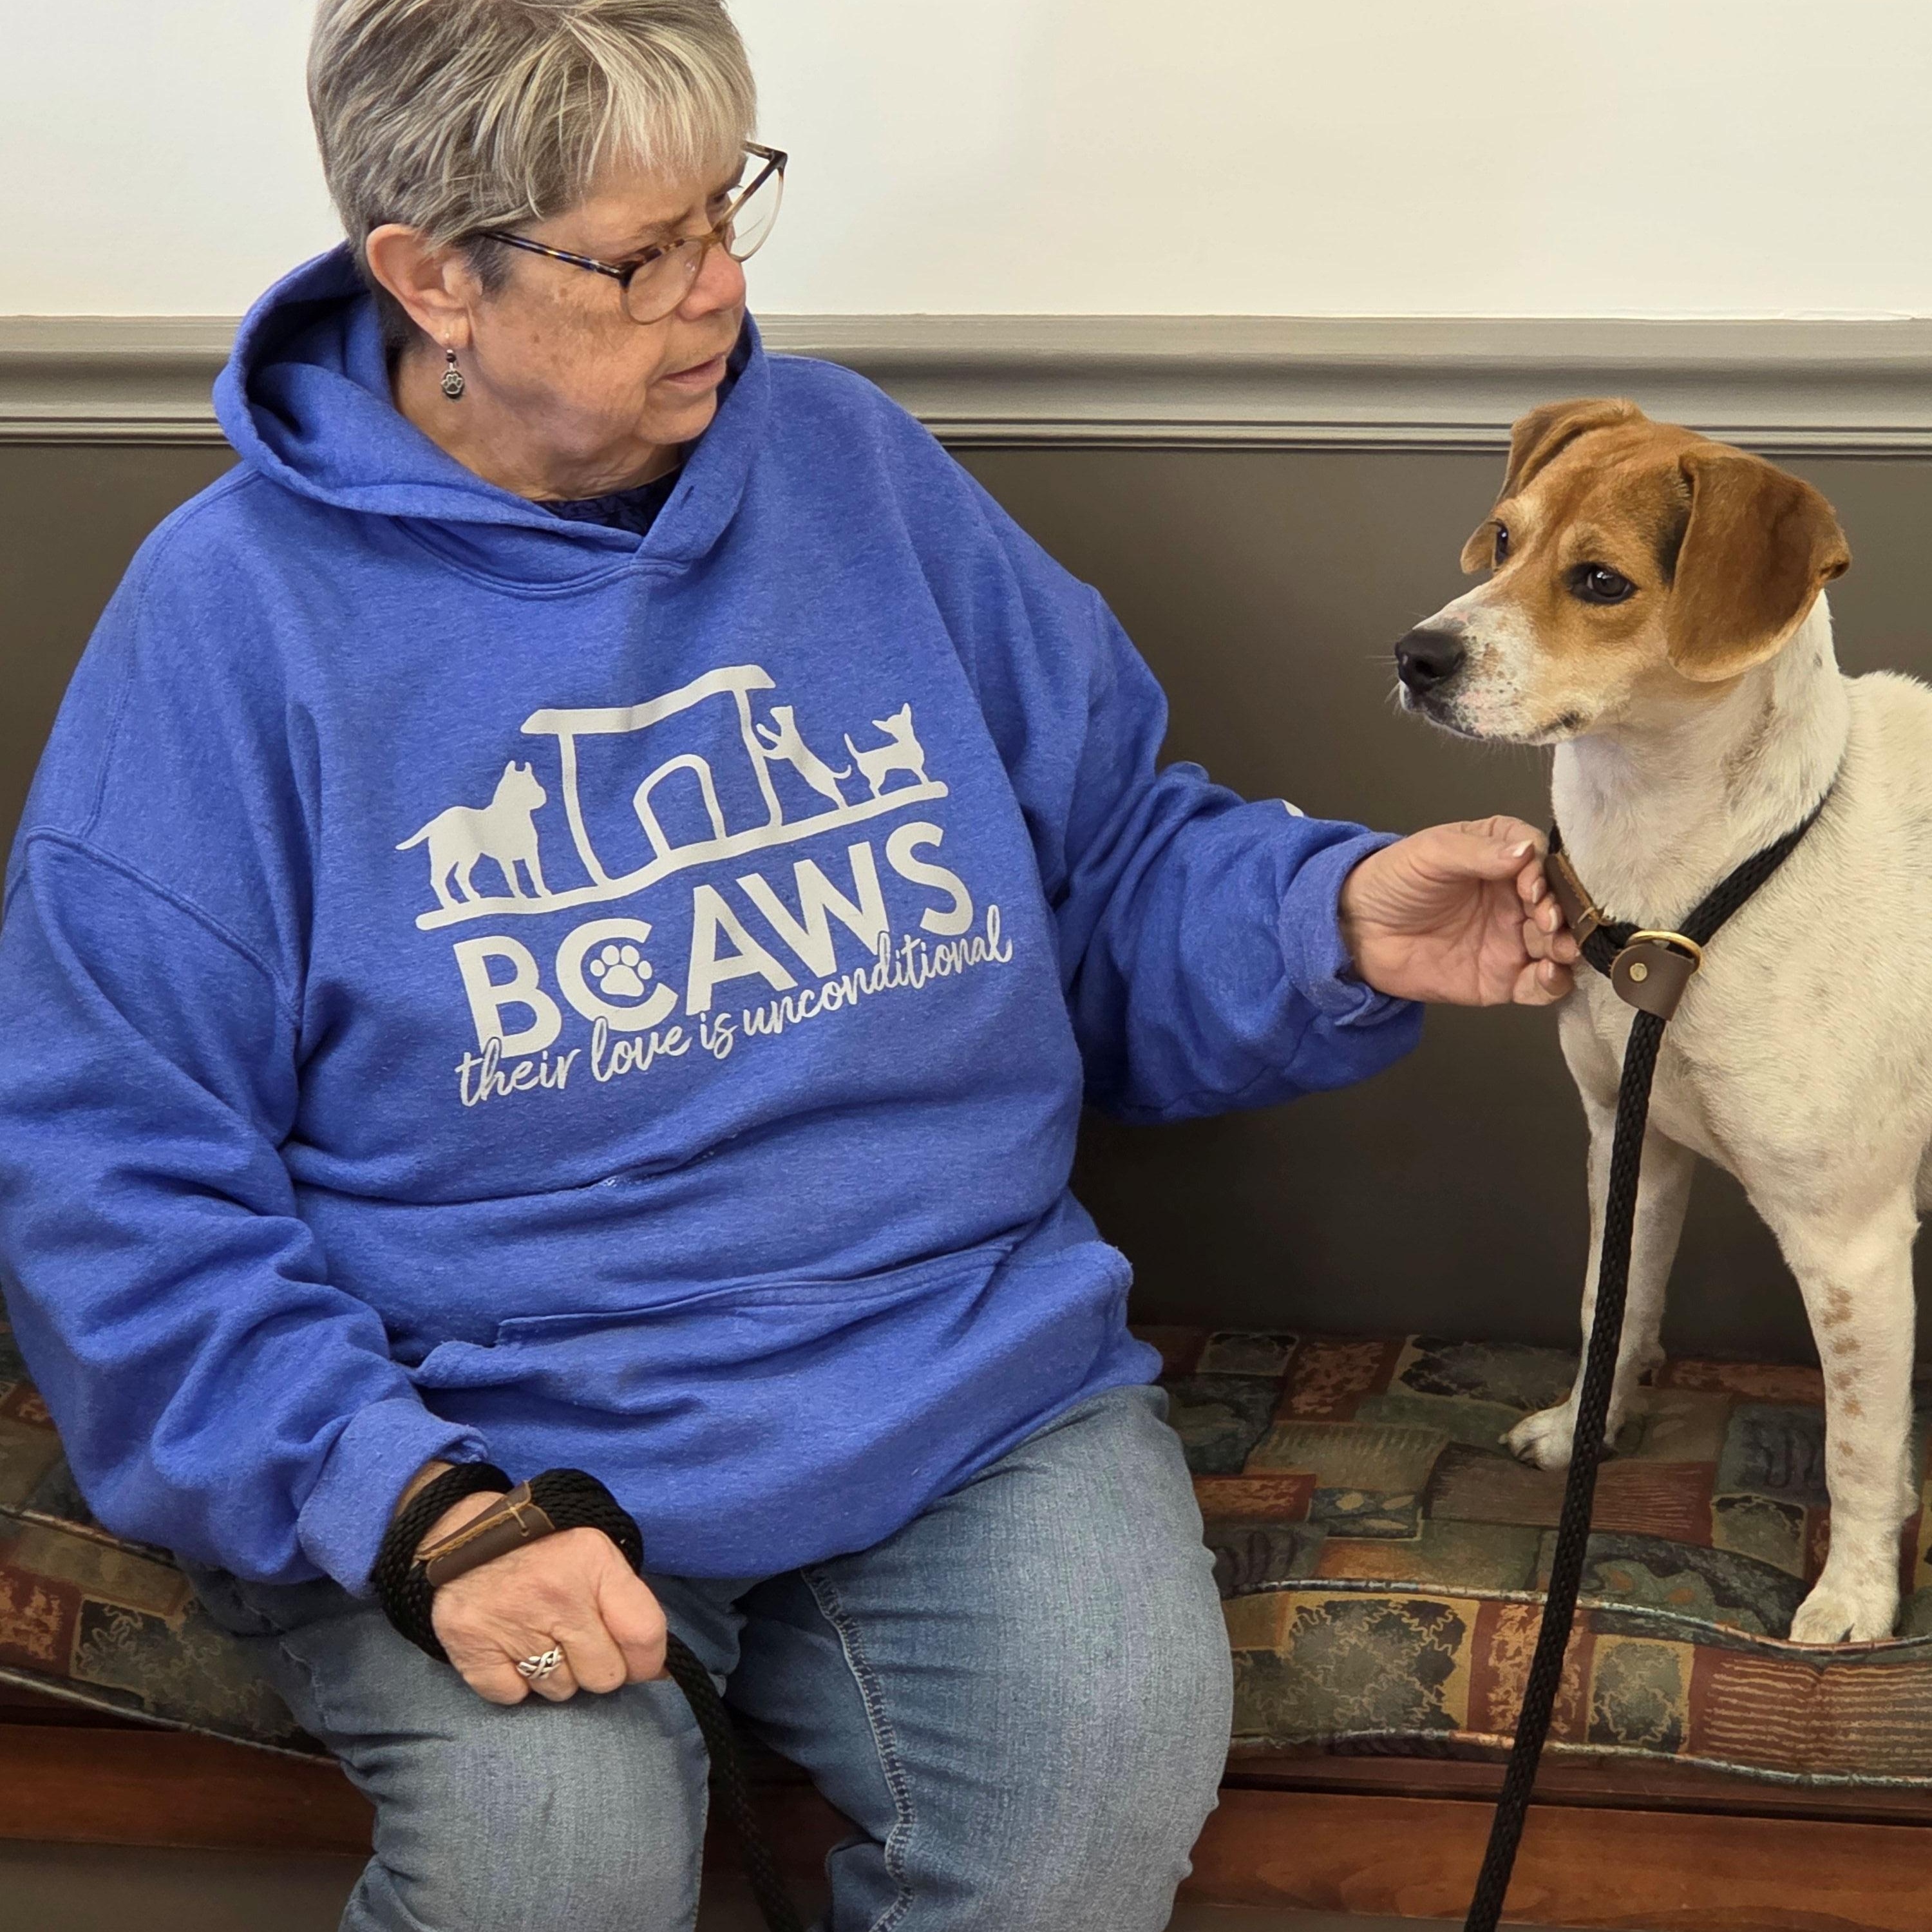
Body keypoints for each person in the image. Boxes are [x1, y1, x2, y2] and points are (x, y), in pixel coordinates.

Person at [0, 3, 1577, 1928]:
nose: (721, 287)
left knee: (1093, 1784)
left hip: (953, 1380)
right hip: (478, 1429)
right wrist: (416, 1510)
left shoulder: (852, 469)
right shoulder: (227, 620)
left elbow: (1095, 881)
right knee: (551, 1866)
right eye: (638, 252)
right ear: (433, 280)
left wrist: (1326, 920)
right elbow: (111, 1178)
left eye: (728, 209)